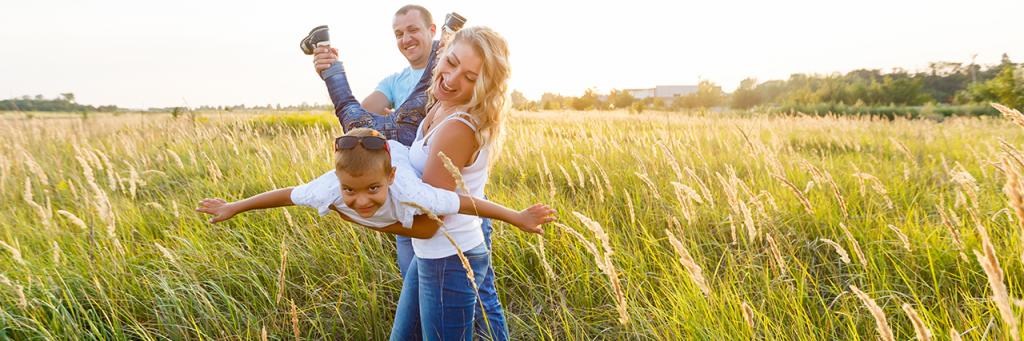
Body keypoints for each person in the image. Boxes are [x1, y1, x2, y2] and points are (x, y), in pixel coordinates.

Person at [312, 5, 513, 339]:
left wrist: (353, 213)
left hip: (447, 232)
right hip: (421, 224)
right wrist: (331, 74)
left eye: (413, 30)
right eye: (399, 33)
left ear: (434, 33)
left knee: (480, 304)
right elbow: (361, 121)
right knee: (426, 312)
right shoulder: (412, 87)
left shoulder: (454, 108)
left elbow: (431, 221)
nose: (406, 38)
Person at [386, 26, 513, 340]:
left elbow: (430, 221)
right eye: (452, 62)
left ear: (484, 86)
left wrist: (359, 214)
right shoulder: (442, 107)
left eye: (471, 77)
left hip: (448, 259)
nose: (453, 78)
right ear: (442, 53)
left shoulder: (458, 127)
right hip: (433, 254)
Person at [194, 128, 554, 238]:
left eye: (372, 189)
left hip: (395, 146)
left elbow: (464, 202)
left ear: (390, 180)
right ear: (338, 180)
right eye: (350, 190)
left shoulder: (408, 189)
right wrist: (233, 207)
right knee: (349, 109)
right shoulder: (328, 187)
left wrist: (517, 217)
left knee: (407, 115)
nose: (362, 200)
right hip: (373, 147)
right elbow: (286, 195)